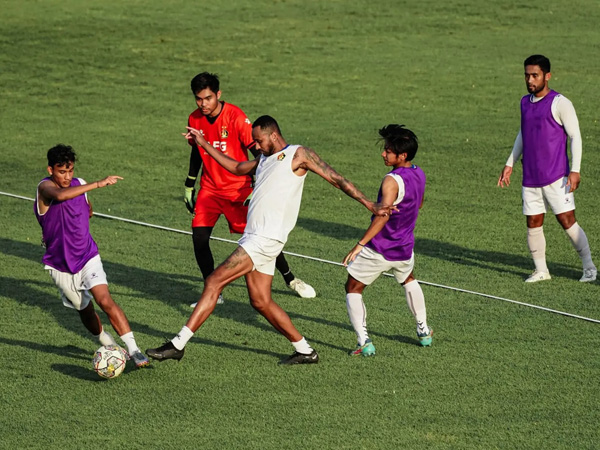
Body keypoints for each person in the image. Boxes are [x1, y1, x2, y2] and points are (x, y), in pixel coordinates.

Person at [147, 115, 395, 364]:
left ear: (273, 135)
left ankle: (177, 345)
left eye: (259, 140)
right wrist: (203, 143)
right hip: (257, 238)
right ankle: (305, 351)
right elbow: (234, 167)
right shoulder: (263, 159)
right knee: (260, 301)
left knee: (213, 281)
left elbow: (337, 179)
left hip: (264, 240)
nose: (256, 144)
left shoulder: (299, 155)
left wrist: (368, 204)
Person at [183, 72, 315, 306]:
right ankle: (214, 293)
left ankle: (291, 279)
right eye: (198, 99)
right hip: (210, 190)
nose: (203, 104)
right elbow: (197, 150)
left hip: (238, 191)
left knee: (260, 238)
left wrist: (257, 187)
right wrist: (190, 183)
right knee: (199, 239)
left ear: (218, 95)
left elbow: (260, 154)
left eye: (208, 98)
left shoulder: (235, 117)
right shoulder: (195, 119)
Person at [34, 144, 150, 368]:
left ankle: (134, 350)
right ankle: (106, 342)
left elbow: (88, 210)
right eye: (61, 171)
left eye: (70, 170)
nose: (67, 176)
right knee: (84, 309)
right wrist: (98, 183)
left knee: (104, 299)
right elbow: (60, 196)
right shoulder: (44, 188)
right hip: (59, 265)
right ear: (50, 170)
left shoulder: (80, 185)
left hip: (87, 256)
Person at [498, 55, 596, 283]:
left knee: (567, 220)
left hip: (556, 176)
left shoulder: (560, 103)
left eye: (535, 75)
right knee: (533, 222)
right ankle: (541, 270)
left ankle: (589, 267)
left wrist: (575, 169)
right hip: (531, 177)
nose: (530, 80)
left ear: (547, 76)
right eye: (527, 75)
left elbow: (575, 137)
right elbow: (523, 133)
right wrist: (510, 163)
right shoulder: (525, 102)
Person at [342, 125, 432, 356]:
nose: (383, 154)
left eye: (388, 150)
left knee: (353, 287)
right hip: (405, 248)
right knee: (408, 279)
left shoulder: (391, 181)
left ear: (401, 156)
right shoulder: (419, 173)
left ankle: (364, 342)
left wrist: (360, 244)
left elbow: (382, 216)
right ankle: (423, 332)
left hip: (379, 249)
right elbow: (419, 204)